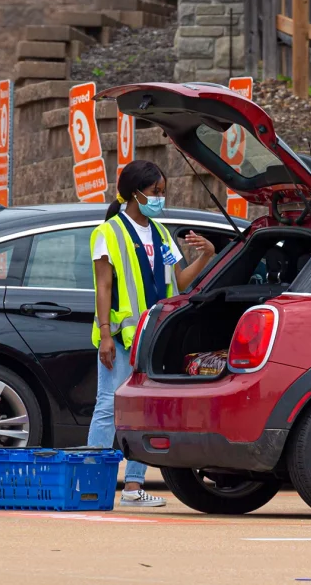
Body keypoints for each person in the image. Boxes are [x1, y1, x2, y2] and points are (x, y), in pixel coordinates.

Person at [89, 160, 216, 507]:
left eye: (163, 192)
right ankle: (91, 481)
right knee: (107, 406)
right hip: (121, 335)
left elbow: (180, 282)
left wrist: (206, 256)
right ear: (135, 193)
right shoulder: (108, 233)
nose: (160, 198)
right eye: (156, 192)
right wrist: (103, 334)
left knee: (144, 410)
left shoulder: (160, 233)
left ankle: (132, 488)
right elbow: (103, 286)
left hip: (154, 336)